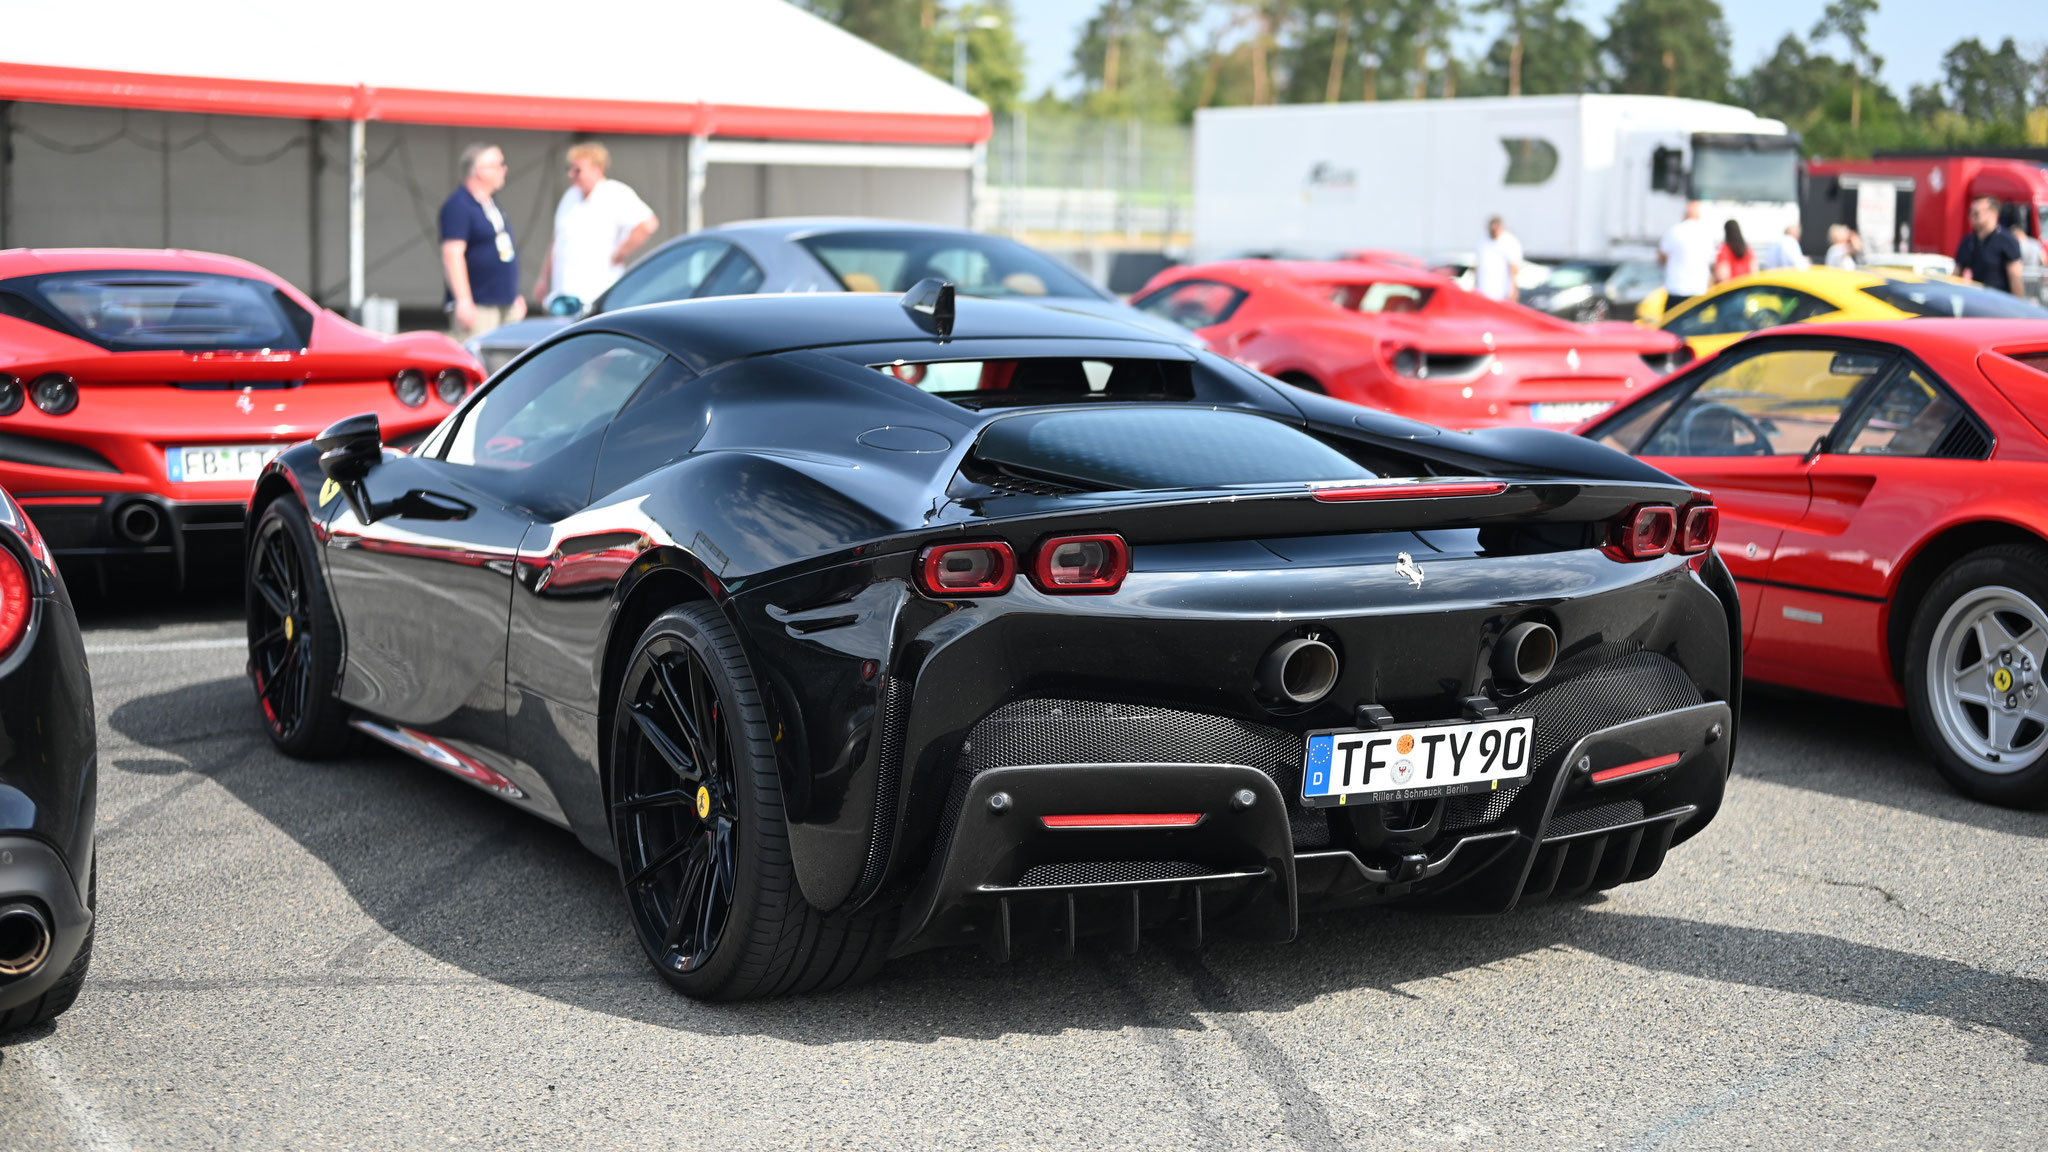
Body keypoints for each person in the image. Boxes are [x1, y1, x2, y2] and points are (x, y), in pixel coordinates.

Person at [532, 142, 659, 310]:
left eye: (578, 170)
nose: (571, 174)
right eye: (569, 169)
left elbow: (648, 224)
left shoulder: (614, 193)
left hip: (596, 292)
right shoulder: (570, 196)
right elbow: (557, 240)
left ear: (597, 169)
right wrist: (543, 278)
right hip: (564, 293)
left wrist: (619, 253)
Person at [438, 143, 525, 341]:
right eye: (498, 165)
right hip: (480, 305)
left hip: (504, 302)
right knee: (480, 361)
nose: (504, 170)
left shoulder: (490, 203)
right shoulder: (459, 205)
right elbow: (452, 255)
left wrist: (513, 294)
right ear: (480, 171)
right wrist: (464, 300)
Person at [1657, 201, 1715, 314]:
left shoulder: (1674, 230)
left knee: (1671, 326)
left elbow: (1661, 256)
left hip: (1676, 288)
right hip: (1698, 289)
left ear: (1685, 214)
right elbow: (1712, 262)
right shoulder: (1706, 233)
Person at [1955, 197, 2022, 295]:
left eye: (1977, 213)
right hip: (1975, 301)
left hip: (1999, 303)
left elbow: (2015, 278)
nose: (1972, 216)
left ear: (1993, 213)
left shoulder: (2007, 240)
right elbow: (1957, 273)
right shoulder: (1968, 241)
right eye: (1970, 212)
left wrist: (2018, 306)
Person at [1474, 215, 1523, 302]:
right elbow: (1478, 267)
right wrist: (1476, 286)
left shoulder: (1509, 242)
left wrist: (1514, 290)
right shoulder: (1483, 242)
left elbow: (1514, 268)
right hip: (1484, 290)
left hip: (1502, 292)